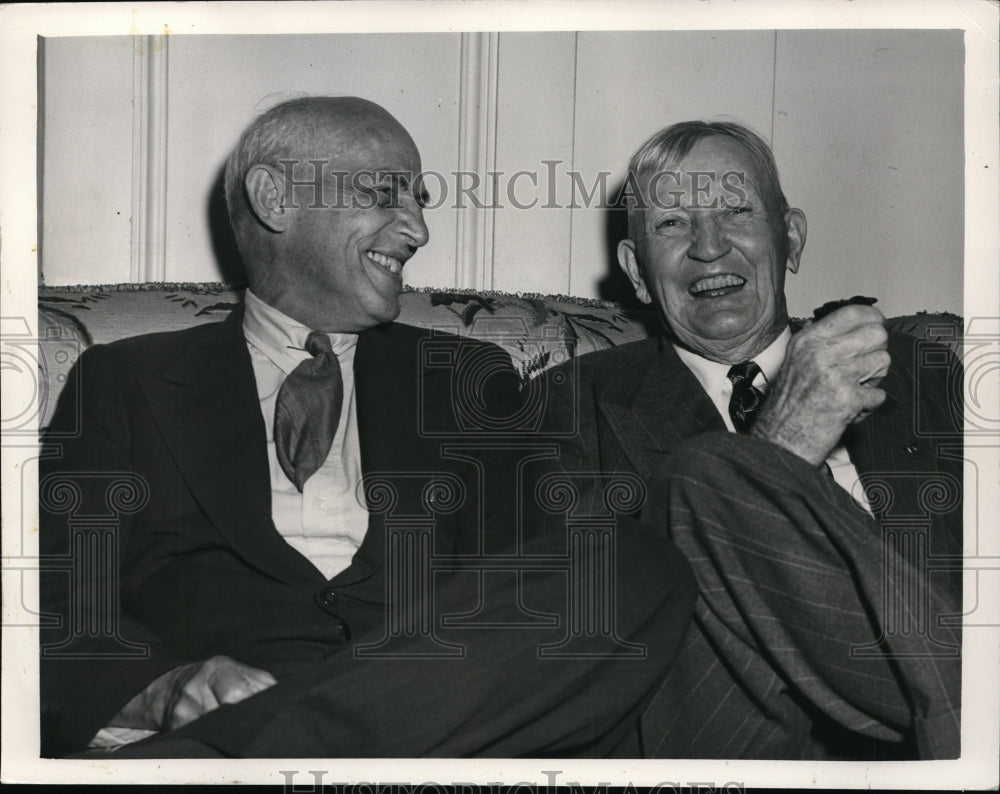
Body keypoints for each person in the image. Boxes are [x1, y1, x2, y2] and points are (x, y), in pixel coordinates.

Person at [39, 97, 696, 758]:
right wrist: (159, 687)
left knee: (635, 563)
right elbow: (56, 602)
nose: (416, 229)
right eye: (386, 193)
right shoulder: (127, 380)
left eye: (420, 200)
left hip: (426, 714)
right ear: (275, 198)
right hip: (229, 709)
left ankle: (258, 751)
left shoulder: (469, 378)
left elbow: (524, 598)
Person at [542, 121, 963, 759]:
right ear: (634, 269)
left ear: (789, 238)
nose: (709, 248)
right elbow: (597, 640)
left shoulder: (922, 373)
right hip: (739, 746)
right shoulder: (568, 405)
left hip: (936, 734)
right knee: (702, 472)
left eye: (736, 211)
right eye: (672, 224)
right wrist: (784, 442)